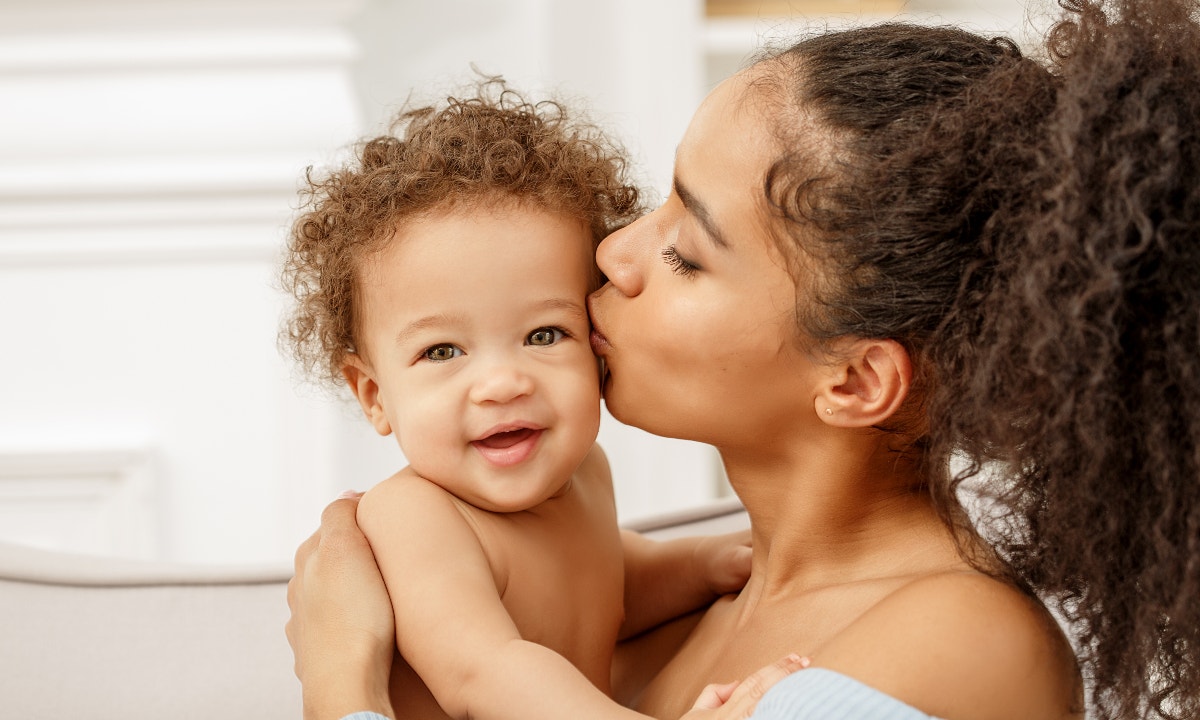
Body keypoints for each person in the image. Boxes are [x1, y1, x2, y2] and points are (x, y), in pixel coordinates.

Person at [287, 0, 1200, 718]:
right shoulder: (698, 594)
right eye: (660, 203)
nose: (611, 253)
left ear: (854, 379)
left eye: (688, 252)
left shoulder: (961, 643)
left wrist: (342, 689)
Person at [280, 83, 758, 720]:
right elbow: (486, 672)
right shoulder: (414, 518)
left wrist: (705, 563)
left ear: (596, 343)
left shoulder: (586, 474)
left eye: (543, 335)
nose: (503, 384)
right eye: (443, 351)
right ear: (374, 395)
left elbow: (604, 584)